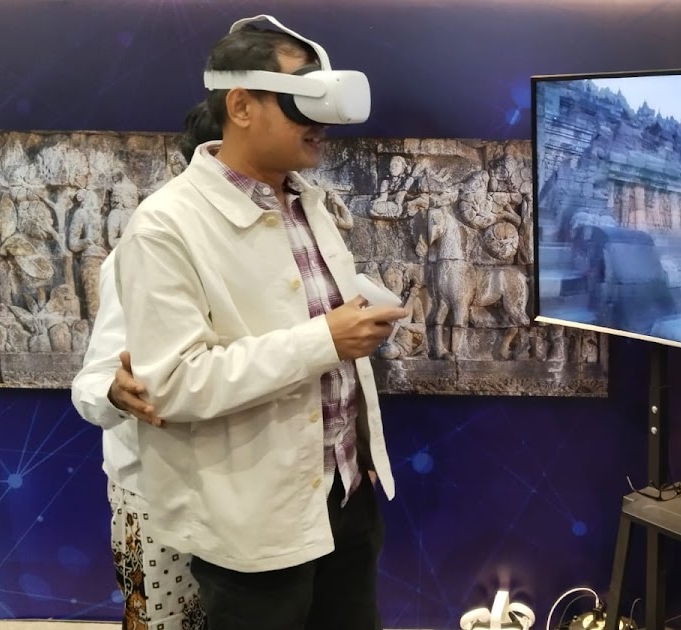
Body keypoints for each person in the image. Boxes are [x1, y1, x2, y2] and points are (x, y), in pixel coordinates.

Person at [110, 16, 409, 630]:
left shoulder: (307, 203)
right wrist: (325, 340)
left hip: (346, 495)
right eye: (302, 102)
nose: (320, 123)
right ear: (241, 106)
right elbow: (175, 383)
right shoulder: (167, 225)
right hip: (253, 520)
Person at [70, 102, 221, 630]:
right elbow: (94, 380)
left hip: (246, 489)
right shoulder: (147, 244)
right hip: (155, 489)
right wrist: (115, 393)